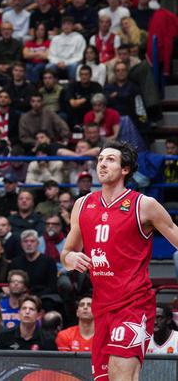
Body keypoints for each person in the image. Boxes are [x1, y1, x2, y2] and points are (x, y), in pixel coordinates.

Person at [62, 141, 178, 381]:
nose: (102, 164)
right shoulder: (82, 205)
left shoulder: (144, 205)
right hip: (102, 307)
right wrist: (71, 256)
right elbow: (66, 255)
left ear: (125, 169)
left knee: (121, 376)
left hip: (133, 304)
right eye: (100, 159)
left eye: (110, 159)